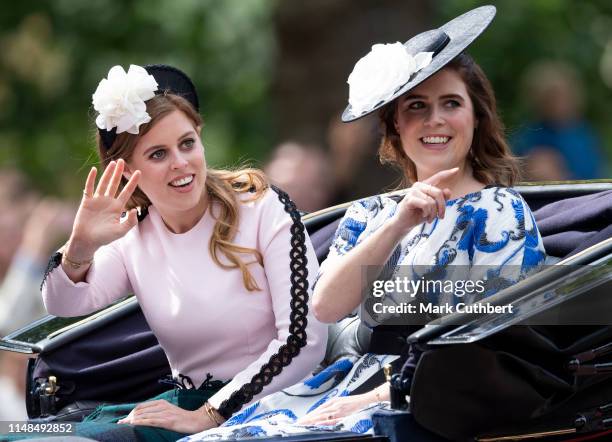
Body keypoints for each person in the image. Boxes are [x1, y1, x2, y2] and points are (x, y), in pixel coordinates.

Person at [181, 6, 546, 440]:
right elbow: (325, 307)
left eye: (451, 103)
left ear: (476, 116)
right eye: (416, 106)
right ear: (395, 124)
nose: (435, 120)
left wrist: (372, 399)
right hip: (339, 384)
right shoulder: (368, 214)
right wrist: (398, 223)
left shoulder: (500, 212)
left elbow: (481, 347)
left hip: (421, 402)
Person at [38, 64, 327, 441]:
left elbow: (303, 341)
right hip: (186, 408)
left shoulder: (262, 206)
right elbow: (63, 304)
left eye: (187, 143)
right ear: (127, 171)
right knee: (21, 432)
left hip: (269, 405)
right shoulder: (134, 234)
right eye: (158, 154)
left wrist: (210, 413)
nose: (180, 163)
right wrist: (80, 247)